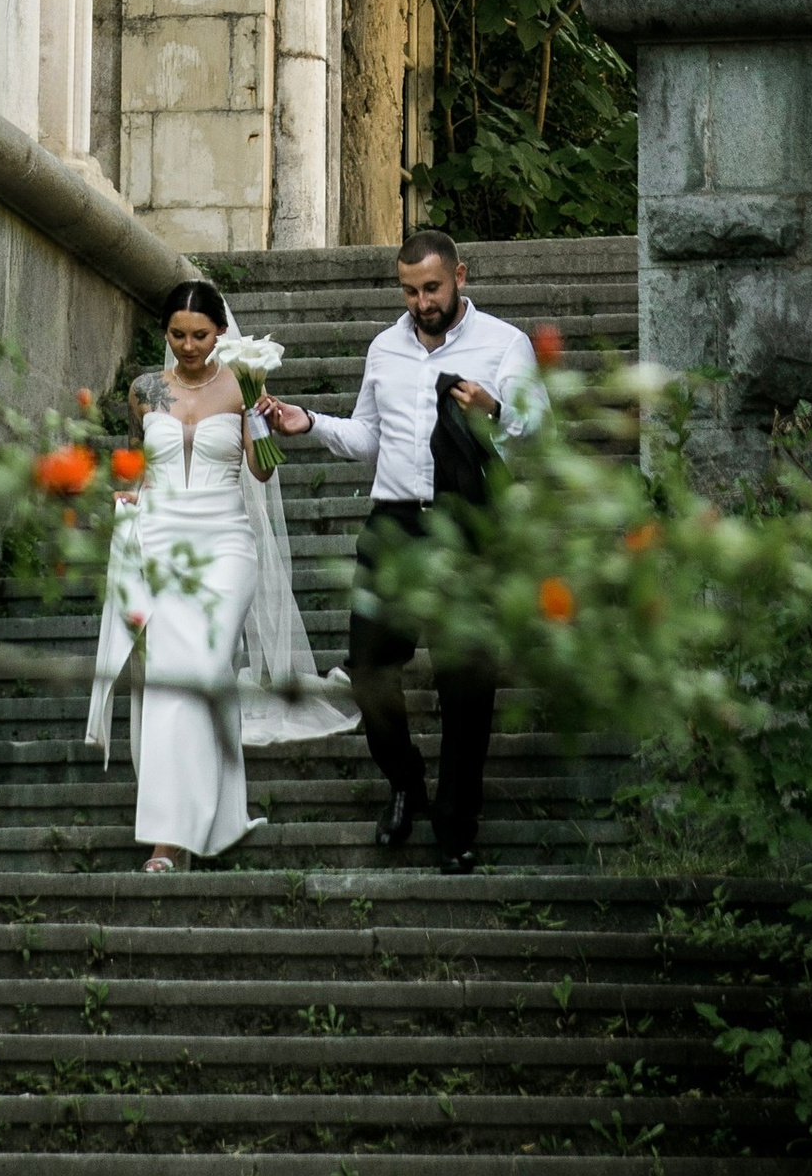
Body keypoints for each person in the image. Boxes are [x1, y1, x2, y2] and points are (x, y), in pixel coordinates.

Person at [258, 228, 541, 875]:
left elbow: (536, 430)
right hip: (393, 526)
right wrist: (309, 420)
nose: (421, 301)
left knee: (467, 684)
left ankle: (456, 820)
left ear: (460, 275)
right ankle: (407, 782)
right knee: (368, 668)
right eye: (410, 289)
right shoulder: (385, 346)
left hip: (468, 527)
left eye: (432, 287)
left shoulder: (504, 344)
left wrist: (495, 409)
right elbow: (367, 436)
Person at [87, 277, 354, 873]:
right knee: (165, 682)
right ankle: (178, 831)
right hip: (157, 541)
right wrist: (124, 499)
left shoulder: (241, 386)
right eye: (178, 335)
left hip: (224, 544)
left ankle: (183, 829)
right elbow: (132, 463)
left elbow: (261, 472)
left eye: (200, 335)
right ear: (166, 335)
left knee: (204, 669)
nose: (188, 346)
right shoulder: (143, 391)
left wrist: (260, 416)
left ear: (220, 334)